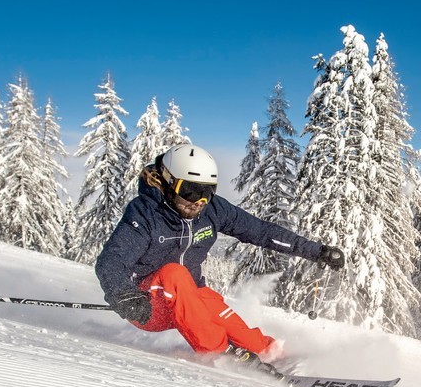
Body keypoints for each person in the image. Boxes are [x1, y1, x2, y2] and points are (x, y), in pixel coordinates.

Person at [95, 143, 344, 366]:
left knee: (217, 308)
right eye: (190, 191)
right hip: (149, 306)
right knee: (175, 274)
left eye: (207, 192)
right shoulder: (145, 213)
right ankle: (219, 352)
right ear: (169, 183)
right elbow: (112, 260)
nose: (199, 201)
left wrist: (316, 252)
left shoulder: (212, 210)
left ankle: (268, 352)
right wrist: (124, 296)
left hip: (190, 303)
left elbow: (261, 231)